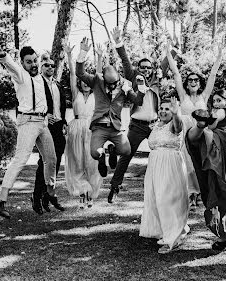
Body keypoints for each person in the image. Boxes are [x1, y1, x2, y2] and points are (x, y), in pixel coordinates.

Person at [107, 27, 175, 203]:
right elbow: (124, 59)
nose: (145, 70)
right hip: (137, 126)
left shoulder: (157, 79)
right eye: (142, 67)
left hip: (155, 125)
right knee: (127, 155)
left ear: (152, 69)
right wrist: (118, 42)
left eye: (148, 67)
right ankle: (115, 185)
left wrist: (172, 46)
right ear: (139, 69)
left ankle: (163, 187)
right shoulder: (134, 78)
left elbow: (168, 61)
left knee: (161, 153)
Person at [0, 44, 57, 219]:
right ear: (23, 63)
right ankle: (1, 199)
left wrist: (47, 114)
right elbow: (10, 65)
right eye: (29, 62)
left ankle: (50, 193)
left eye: (35, 60)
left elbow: (44, 98)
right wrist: (3, 56)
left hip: (42, 122)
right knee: (20, 160)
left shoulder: (41, 78)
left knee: (51, 158)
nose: (33, 64)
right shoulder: (20, 76)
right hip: (28, 121)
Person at [166, 39, 223, 208]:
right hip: (184, 131)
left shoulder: (204, 97)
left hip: (201, 132)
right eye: (190, 79)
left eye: (196, 80)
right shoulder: (182, 96)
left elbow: (212, 75)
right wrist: (168, 53)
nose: (193, 81)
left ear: (199, 83)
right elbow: (176, 74)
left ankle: (200, 192)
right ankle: (190, 193)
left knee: (201, 162)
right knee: (186, 163)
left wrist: (219, 55)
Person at [75, 37, 143, 179]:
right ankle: (101, 156)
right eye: (109, 84)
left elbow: (138, 101)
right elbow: (80, 73)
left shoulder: (125, 84)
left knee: (126, 150)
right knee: (94, 153)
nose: (112, 86)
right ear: (103, 78)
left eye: (115, 83)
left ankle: (112, 150)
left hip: (115, 127)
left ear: (118, 76)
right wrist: (83, 53)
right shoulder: (96, 81)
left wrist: (133, 90)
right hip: (99, 126)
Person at [185, 93, 226, 251]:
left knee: (219, 191)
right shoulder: (223, 113)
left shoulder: (222, 112)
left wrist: (207, 121)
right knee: (217, 191)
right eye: (214, 101)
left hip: (223, 155)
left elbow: (212, 127)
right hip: (220, 154)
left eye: (219, 100)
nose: (216, 103)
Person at [139, 93, 189, 254]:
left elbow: (178, 127)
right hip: (154, 165)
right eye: (161, 108)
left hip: (170, 164)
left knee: (167, 199)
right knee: (155, 198)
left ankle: (172, 238)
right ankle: (165, 230)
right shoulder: (156, 125)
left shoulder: (174, 124)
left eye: (167, 109)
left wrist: (176, 114)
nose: (163, 111)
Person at [63, 43, 104, 208]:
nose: (85, 83)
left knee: (92, 163)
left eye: (88, 81)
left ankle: (91, 193)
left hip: (92, 129)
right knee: (77, 162)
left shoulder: (97, 93)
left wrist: (100, 57)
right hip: (76, 129)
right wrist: (69, 56)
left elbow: (99, 76)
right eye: (83, 81)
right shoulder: (76, 93)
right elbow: (73, 74)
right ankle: (82, 193)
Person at [31, 53, 66, 214]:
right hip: (45, 126)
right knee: (44, 162)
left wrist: (64, 122)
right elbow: (31, 103)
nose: (50, 67)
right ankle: (36, 197)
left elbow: (61, 107)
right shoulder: (36, 83)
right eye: (46, 65)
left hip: (59, 127)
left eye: (52, 65)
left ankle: (47, 197)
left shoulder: (58, 85)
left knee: (56, 162)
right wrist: (45, 115)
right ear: (41, 67)